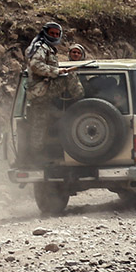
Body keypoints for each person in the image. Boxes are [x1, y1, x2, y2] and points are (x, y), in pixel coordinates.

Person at [22, 22, 84, 165]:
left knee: (41, 124)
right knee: (70, 75)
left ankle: (37, 155)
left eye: (57, 34)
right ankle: (82, 101)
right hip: (40, 90)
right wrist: (56, 71)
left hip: (43, 92)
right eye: (52, 33)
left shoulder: (47, 48)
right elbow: (35, 65)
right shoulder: (40, 47)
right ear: (45, 33)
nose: (55, 36)